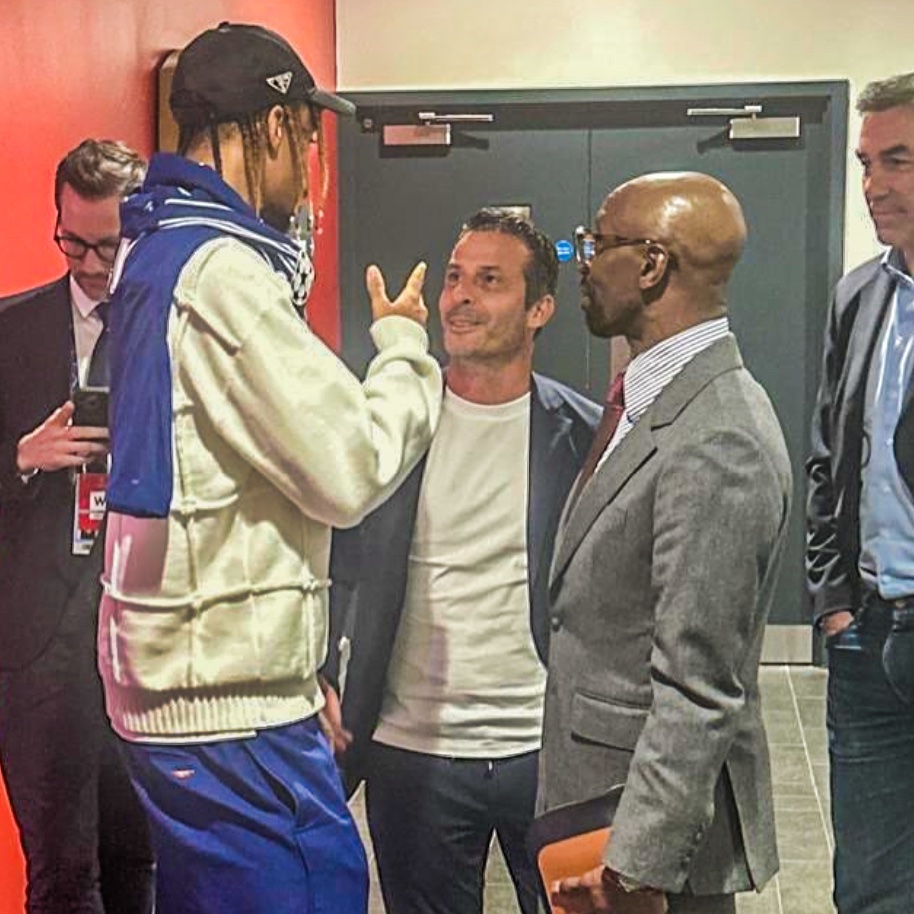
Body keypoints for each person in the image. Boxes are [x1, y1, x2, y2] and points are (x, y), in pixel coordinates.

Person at [95, 22, 442, 914]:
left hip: (181, 683)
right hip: (222, 703)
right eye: (309, 138)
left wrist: (296, 674)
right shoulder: (221, 271)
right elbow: (349, 467)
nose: (311, 167)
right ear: (276, 125)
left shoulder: (154, 244)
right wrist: (405, 350)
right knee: (317, 888)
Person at [325, 208, 600, 914]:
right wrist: (319, 671)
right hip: (411, 751)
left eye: (489, 281)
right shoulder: (391, 422)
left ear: (539, 309)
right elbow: (333, 558)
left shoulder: (585, 435)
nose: (460, 297)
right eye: (454, 278)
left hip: (546, 752)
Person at [539, 172, 792, 914]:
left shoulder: (718, 437)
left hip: (643, 852)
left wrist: (635, 869)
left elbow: (698, 686)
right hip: (598, 810)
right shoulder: (653, 402)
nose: (582, 261)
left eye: (597, 243)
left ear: (651, 265)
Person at [0, 139, 154, 913]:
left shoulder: (175, 331)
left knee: (140, 861)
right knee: (60, 874)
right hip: (37, 650)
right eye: (73, 244)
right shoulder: (10, 331)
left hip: (147, 634)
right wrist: (21, 459)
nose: (91, 265)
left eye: (108, 245)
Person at [807, 71, 914, 914]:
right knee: (870, 888)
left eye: (898, 161)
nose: (874, 185)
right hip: (868, 634)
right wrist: (834, 600)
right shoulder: (860, 296)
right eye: (865, 164)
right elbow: (829, 460)